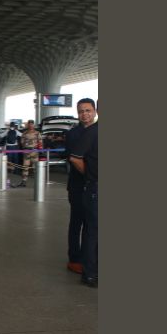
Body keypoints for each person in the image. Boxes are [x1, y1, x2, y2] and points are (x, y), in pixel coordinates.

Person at [69, 99, 98, 288]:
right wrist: (90, 175)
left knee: (91, 227)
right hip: (79, 186)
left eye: (88, 110)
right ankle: (75, 259)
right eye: (81, 111)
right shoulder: (75, 133)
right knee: (78, 224)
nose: (85, 114)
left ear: (94, 111)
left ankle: (89, 262)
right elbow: (74, 158)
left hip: (90, 187)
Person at [19, 119, 41, 187]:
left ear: (33, 125)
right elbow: (22, 142)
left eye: (32, 124)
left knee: (36, 167)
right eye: (30, 124)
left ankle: (38, 181)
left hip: (35, 152)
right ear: (28, 125)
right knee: (25, 167)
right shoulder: (24, 133)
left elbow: (40, 141)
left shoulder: (37, 133)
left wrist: (39, 148)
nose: (31, 125)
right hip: (27, 152)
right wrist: (25, 147)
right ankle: (24, 181)